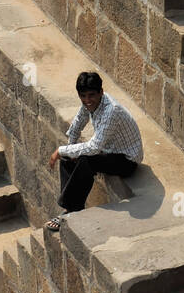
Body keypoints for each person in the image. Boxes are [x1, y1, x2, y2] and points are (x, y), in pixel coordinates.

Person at [45, 71, 142, 231]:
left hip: (127, 160)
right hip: (110, 151)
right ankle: (71, 208)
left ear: (101, 93)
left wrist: (62, 150)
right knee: (69, 158)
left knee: (85, 161)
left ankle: (70, 209)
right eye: (83, 96)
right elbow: (77, 124)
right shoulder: (89, 104)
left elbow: (94, 147)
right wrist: (69, 150)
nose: (87, 100)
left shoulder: (111, 111)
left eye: (91, 95)